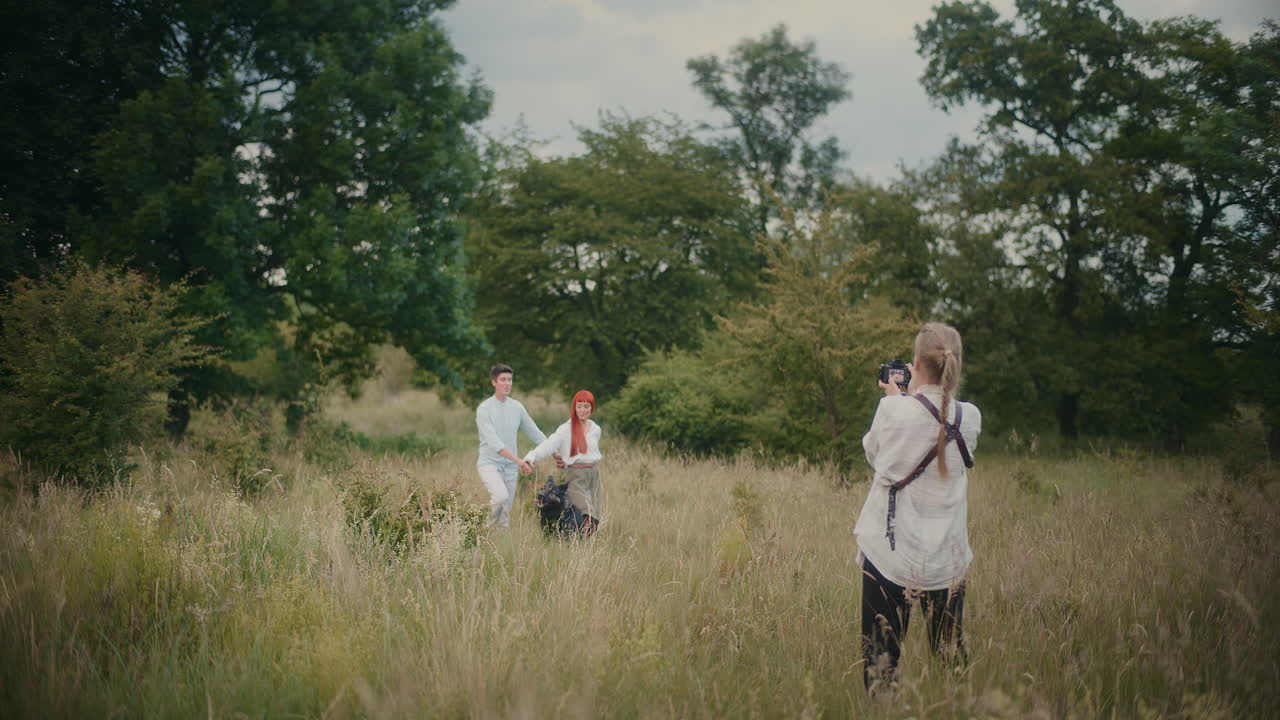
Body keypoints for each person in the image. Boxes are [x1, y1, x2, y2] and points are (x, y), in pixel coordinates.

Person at [853, 322, 982, 691]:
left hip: (891, 555)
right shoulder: (970, 417)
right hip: (947, 560)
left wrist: (899, 397)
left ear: (916, 364)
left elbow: (875, 455)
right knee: (951, 657)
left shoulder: (893, 409)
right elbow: (937, 421)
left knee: (881, 664)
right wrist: (914, 395)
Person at [475, 364, 547, 527]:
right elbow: (495, 444)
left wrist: (555, 452)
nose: (507, 383)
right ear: (494, 382)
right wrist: (520, 461)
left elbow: (535, 433)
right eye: (503, 380)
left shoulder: (517, 407)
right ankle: (482, 530)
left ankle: (498, 540)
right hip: (489, 464)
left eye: (509, 380)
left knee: (505, 513)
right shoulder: (484, 409)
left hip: (510, 468)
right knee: (501, 497)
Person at [524, 390, 604, 535]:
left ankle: (587, 543)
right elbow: (549, 445)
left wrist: (563, 456)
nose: (583, 410)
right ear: (574, 408)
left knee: (596, 515)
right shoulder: (566, 429)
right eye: (579, 406)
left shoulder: (595, 429)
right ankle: (577, 540)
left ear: (592, 408)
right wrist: (532, 456)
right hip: (576, 475)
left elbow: (587, 452)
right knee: (586, 512)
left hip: (594, 473)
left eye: (586, 406)